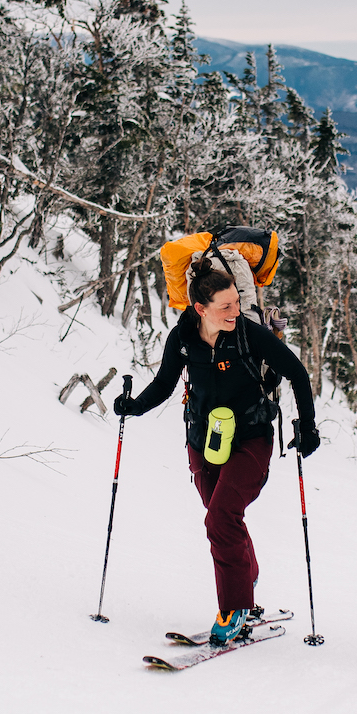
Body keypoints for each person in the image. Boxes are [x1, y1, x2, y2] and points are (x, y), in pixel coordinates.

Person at [113, 255, 319, 644]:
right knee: (221, 515)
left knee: (220, 518)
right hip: (204, 440)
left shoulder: (248, 334)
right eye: (226, 307)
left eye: (237, 304)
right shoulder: (183, 339)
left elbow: (297, 373)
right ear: (200, 309)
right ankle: (247, 572)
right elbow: (164, 384)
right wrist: (134, 406)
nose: (235, 312)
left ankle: (236, 607)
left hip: (251, 437)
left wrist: (308, 427)